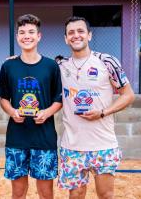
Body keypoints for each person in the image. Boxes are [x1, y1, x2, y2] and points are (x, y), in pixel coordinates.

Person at [56, 16, 135, 199]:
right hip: (72, 146)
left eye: (80, 31)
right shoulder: (60, 66)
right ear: (66, 39)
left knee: (106, 195)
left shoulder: (106, 61)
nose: (76, 35)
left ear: (89, 35)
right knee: (76, 195)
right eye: (71, 33)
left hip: (104, 145)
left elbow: (128, 94)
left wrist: (102, 112)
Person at [0, 14, 63, 199]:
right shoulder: (9, 65)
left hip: (44, 137)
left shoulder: (51, 66)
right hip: (17, 138)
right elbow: (3, 98)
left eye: (31, 32)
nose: (27, 36)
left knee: (45, 193)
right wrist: (12, 111)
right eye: (22, 32)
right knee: (18, 193)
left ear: (39, 36)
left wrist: (47, 112)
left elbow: (59, 99)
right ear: (17, 37)